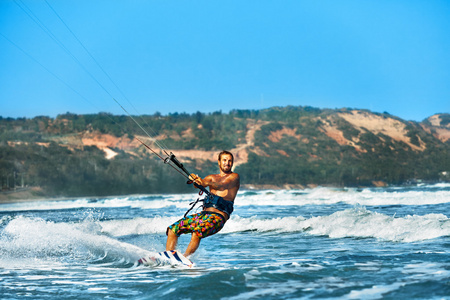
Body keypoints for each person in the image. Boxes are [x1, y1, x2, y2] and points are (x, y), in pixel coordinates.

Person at [165, 150, 240, 257]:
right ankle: (169, 256)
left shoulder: (234, 177)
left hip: (217, 218)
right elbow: (201, 184)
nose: (227, 163)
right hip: (203, 215)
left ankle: (185, 258)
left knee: (197, 232)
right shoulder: (211, 177)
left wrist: (203, 182)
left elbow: (221, 185)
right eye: (224, 160)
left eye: (229, 161)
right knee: (173, 229)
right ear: (219, 162)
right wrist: (195, 180)